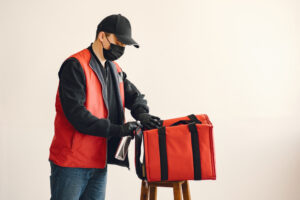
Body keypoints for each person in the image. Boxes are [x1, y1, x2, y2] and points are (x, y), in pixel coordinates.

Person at [48, 14, 162, 200]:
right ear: (102, 36)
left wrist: (142, 114)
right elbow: (77, 115)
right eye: (119, 42)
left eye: (125, 45)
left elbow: (135, 96)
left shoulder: (114, 70)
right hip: (71, 163)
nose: (121, 48)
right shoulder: (75, 66)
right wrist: (119, 130)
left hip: (98, 163)